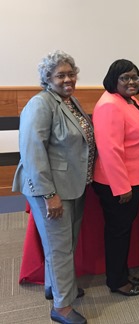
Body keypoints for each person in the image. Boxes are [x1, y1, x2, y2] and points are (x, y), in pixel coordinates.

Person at [12, 50, 94, 324]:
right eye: (61, 75)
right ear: (47, 78)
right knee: (60, 246)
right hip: (52, 190)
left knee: (63, 243)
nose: (68, 79)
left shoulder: (69, 101)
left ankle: (56, 286)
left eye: (71, 74)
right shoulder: (41, 104)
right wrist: (49, 195)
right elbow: (33, 152)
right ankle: (62, 306)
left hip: (72, 185)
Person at [92, 59, 139, 297]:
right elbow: (110, 151)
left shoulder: (129, 100)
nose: (132, 82)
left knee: (123, 231)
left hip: (134, 178)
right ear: (114, 80)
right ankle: (117, 281)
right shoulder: (109, 104)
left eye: (135, 77)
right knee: (118, 233)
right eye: (125, 78)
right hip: (118, 184)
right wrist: (122, 187)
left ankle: (121, 272)